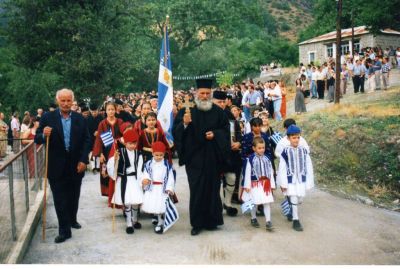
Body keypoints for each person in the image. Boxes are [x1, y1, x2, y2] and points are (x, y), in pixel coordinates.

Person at [173, 78, 230, 236]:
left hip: (212, 157)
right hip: (195, 158)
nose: (205, 96)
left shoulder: (218, 112)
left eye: (207, 93)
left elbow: (225, 130)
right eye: (202, 93)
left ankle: (212, 221)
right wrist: (184, 124)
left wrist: (216, 134)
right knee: (197, 190)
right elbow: (176, 131)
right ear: (196, 93)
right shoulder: (187, 111)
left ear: (210, 94)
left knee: (212, 189)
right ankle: (197, 223)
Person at [35, 88, 91, 243]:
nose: (66, 104)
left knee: (73, 196)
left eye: (68, 100)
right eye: (63, 100)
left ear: (73, 101)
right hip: (56, 166)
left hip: (76, 165)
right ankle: (64, 230)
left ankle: (72, 219)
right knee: (60, 199)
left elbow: (87, 140)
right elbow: (37, 138)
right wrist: (43, 134)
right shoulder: (47, 117)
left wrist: (83, 160)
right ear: (57, 101)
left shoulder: (80, 118)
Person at [276, 125, 314, 231]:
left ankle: (290, 209)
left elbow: (308, 166)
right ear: (288, 138)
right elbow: (282, 168)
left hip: (301, 179)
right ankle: (296, 220)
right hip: (290, 180)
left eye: (298, 137)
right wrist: (283, 184)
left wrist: (309, 181)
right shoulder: (285, 152)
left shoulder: (304, 151)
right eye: (293, 137)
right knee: (293, 198)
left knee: (300, 198)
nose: (296, 140)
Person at [106, 129, 144, 234]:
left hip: (135, 180)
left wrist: (141, 181)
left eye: (135, 143)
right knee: (127, 203)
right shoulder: (119, 152)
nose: (132, 146)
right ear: (125, 142)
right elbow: (111, 165)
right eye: (130, 143)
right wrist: (114, 160)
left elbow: (140, 168)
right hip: (124, 180)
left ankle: (135, 220)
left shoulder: (138, 154)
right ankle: (129, 223)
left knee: (136, 202)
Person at [213, 90, 241, 217]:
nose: (222, 104)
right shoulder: (208, 115)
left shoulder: (229, 115)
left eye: (223, 102)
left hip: (230, 153)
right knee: (214, 181)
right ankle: (215, 205)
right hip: (213, 153)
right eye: (219, 102)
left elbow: (239, 132)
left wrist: (238, 143)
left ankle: (227, 203)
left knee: (232, 178)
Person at [92, 102, 124, 206]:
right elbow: (99, 139)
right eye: (108, 109)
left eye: (112, 109)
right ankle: (109, 193)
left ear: (115, 110)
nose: (110, 111)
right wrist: (100, 154)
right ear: (105, 111)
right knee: (107, 173)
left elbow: (125, 134)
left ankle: (117, 193)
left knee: (117, 172)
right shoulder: (102, 123)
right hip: (106, 152)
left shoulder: (120, 121)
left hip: (117, 151)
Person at [141, 141, 175, 234]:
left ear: (164, 154)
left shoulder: (167, 165)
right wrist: (145, 179)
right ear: (152, 153)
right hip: (152, 187)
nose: (159, 157)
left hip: (162, 188)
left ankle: (160, 223)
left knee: (161, 205)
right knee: (154, 203)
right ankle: (155, 216)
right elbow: (145, 173)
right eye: (156, 155)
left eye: (161, 155)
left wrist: (169, 188)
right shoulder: (148, 164)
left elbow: (170, 177)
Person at [242, 137, 275, 231]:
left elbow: (270, 172)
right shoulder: (250, 159)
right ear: (254, 148)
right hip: (254, 184)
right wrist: (247, 185)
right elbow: (247, 173)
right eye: (259, 148)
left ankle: (268, 221)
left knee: (267, 202)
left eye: (263, 147)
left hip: (266, 184)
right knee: (254, 202)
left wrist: (272, 184)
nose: (262, 150)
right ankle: (253, 218)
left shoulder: (267, 158)